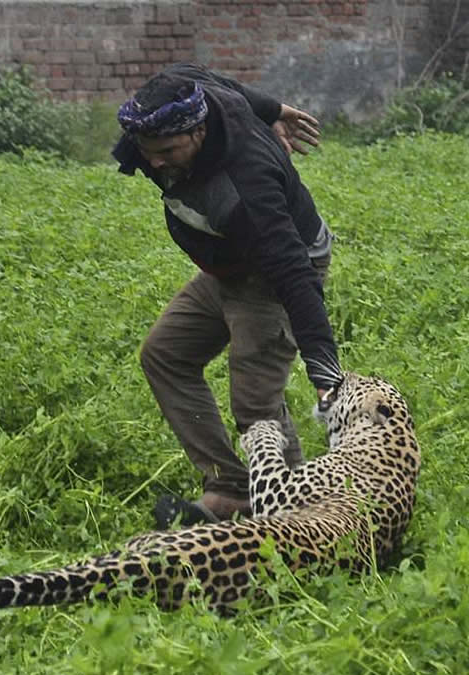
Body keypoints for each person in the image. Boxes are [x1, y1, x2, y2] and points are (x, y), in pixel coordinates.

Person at [112, 63, 343, 528]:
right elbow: (216, 83)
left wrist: (323, 366)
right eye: (147, 151)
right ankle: (233, 488)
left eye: (166, 152)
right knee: (166, 354)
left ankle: (300, 519)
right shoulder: (180, 103)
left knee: (256, 406)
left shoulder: (249, 180)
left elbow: (294, 273)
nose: (154, 162)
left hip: (274, 274)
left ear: (197, 132)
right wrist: (273, 109)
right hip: (227, 267)